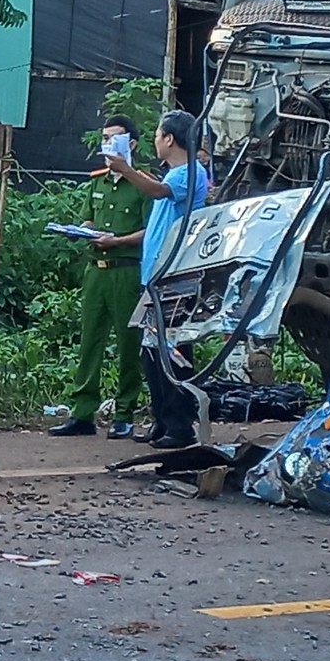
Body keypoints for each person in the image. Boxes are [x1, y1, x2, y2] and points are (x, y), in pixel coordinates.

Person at [104, 109, 211, 450]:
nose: (155, 141)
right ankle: (163, 420)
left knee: (172, 352)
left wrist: (125, 169)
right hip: (157, 277)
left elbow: (159, 191)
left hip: (175, 277)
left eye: (158, 135)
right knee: (152, 353)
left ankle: (180, 426)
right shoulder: (174, 173)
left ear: (169, 139)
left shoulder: (190, 172)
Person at [49, 115, 147, 440]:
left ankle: (124, 413)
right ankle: (82, 413)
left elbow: (152, 231)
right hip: (96, 271)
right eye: (104, 139)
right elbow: (88, 217)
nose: (108, 145)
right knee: (89, 340)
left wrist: (117, 241)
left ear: (131, 144)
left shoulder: (143, 184)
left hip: (126, 272)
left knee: (128, 343)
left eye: (115, 138)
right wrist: (82, 230)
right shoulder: (98, 181)